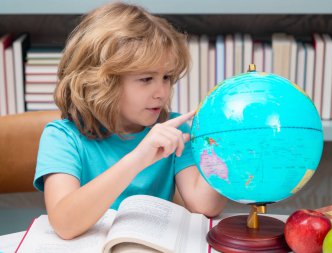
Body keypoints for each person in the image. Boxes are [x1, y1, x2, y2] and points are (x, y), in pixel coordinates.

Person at [33, 2, 227, 240]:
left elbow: (205, 206)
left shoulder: (174, 130)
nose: (162, 92)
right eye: (146, 79)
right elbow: (64, 223)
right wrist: (138, 158)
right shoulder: (62, 137)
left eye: (166, 77)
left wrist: (230, 141)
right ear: (101, 83)